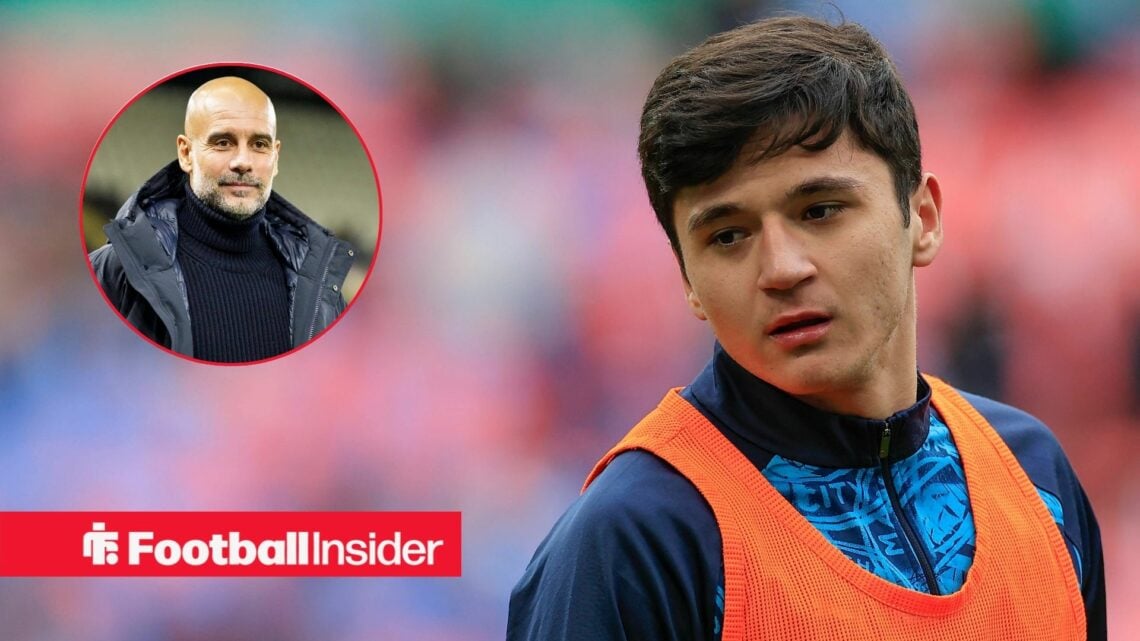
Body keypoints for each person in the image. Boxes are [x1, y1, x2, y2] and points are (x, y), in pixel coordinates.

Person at [508, 16, 1105, 641]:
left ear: (922, 217)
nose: (781, 269)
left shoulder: (1034, 475)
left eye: (820, 210)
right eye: (728, 235)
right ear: (688, 279)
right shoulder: (643, 538)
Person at [89, 76, 354, 363]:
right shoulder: (115, 270)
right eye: (223, 142)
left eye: (259, 144)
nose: (243, 161)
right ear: (186, 153)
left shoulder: (320, 288)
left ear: (275, 157)